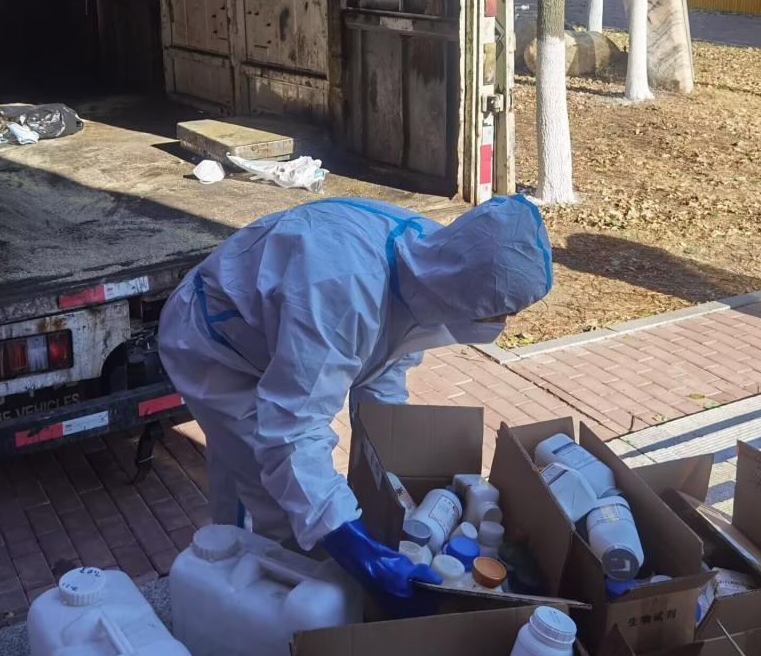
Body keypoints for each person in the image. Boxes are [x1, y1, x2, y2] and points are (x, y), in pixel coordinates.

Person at [158, 194, 552, 598]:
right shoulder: (342, 292)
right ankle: (249, 595)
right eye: (498, 311)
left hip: (267, 332)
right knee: (271, 496)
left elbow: (385, 365)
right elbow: (291, 434)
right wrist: (357, 548)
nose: (502, 323)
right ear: (466, 291)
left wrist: (386, 466)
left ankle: (235, 567)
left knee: (254, 473)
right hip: (217, 349)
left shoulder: (438, 262)